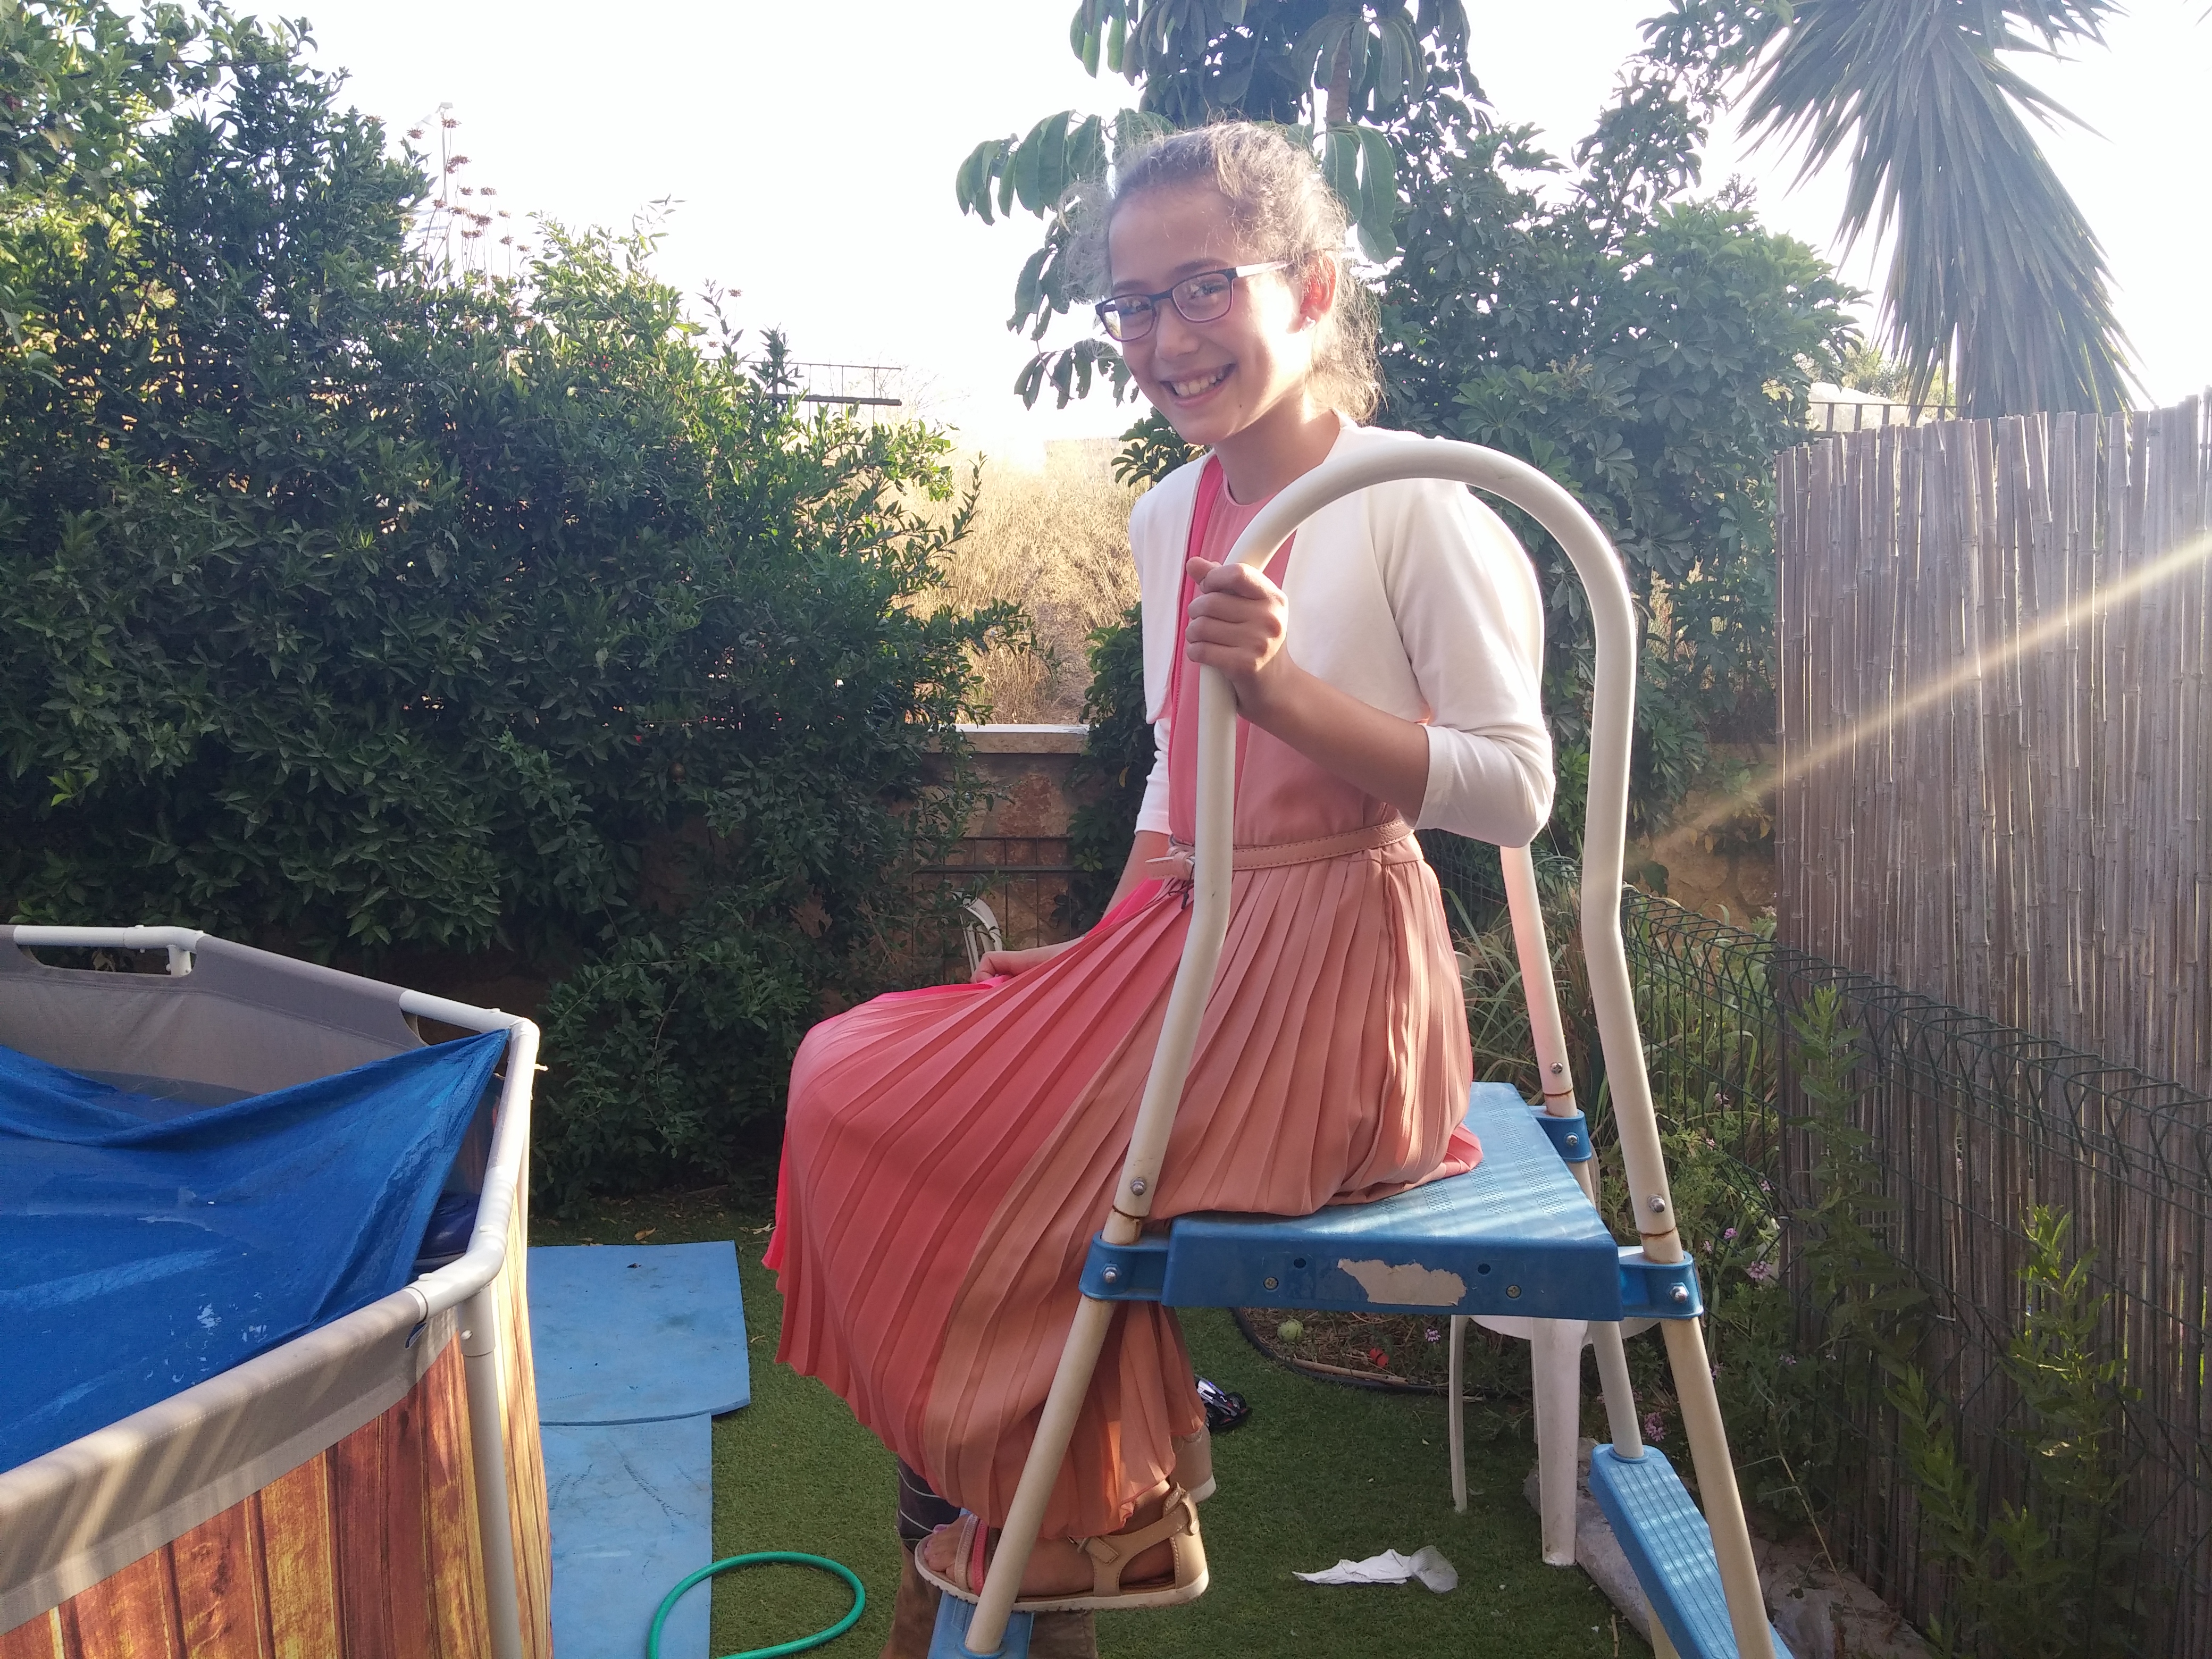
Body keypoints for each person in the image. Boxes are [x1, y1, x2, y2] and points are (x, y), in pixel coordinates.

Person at [765, 121, 1553, 1638]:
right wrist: (1094, 956)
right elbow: (1173, 781)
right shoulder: (1166, 514)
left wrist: (1291, 698)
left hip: (1336, 989)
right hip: (1188, 948)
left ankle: (1046, 1523)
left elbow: (1516, 792)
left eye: (1205, 288)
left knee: (918, 1111)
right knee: (849, 1067)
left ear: (1310, 288)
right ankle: (1056, 1517)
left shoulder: (1414, 502)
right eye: (1133, 304)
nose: (1166, 339)